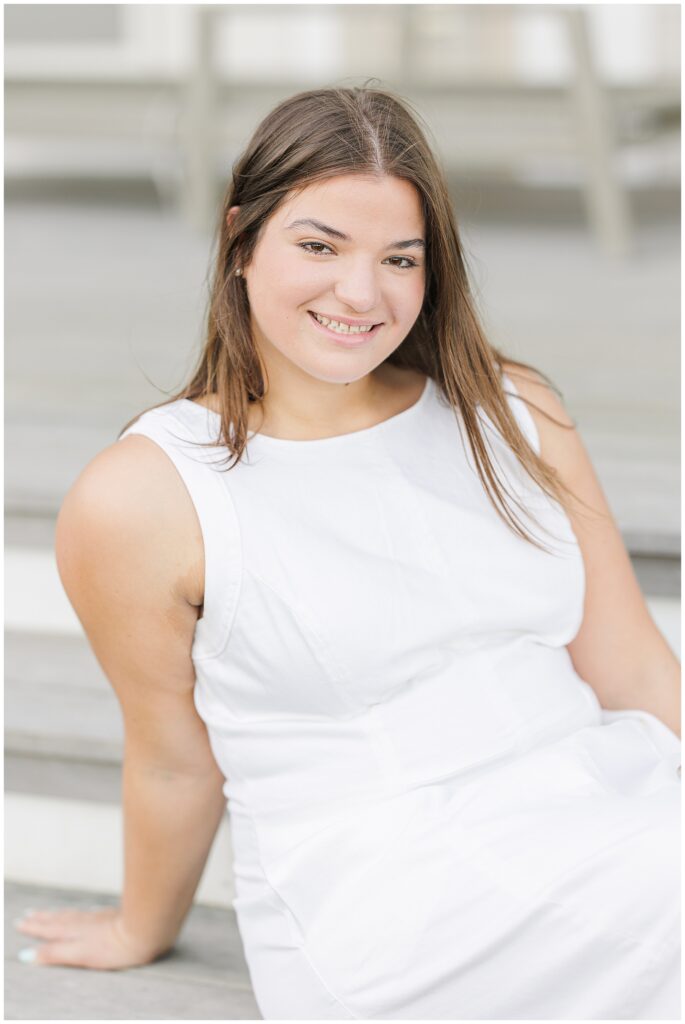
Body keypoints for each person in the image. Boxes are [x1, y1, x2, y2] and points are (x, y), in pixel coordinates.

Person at [17, 85, 680, 1019]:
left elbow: (637, 670)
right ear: (240, 239)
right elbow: (172, 757)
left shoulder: (511, 408)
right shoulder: (145, 495)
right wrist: (140, 926)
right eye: (319, 246)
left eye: (398, 258)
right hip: (394, 887)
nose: (361, 293)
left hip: (602, 802)